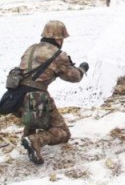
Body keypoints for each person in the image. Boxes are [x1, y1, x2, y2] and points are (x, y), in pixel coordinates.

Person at [16, 21, 89, 165]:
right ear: (58, 38)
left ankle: (28, 136)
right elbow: (74, 77)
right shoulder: (57, 55)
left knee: (36, 112)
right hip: (37, 99)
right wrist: (82, 69)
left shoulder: (31, 48)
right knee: (63, 133)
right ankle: (35, 140)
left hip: (16, 98)